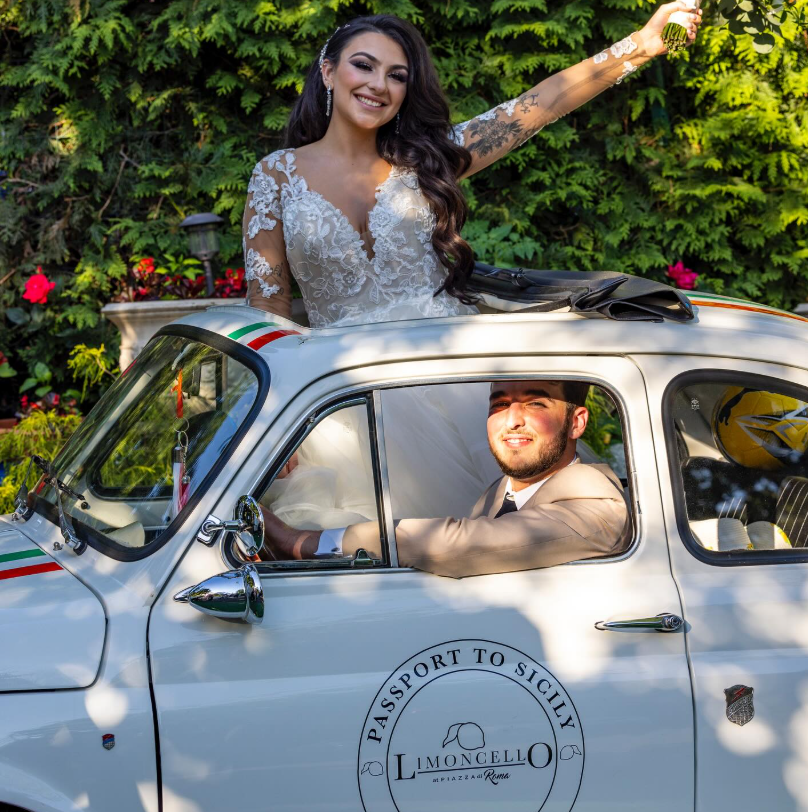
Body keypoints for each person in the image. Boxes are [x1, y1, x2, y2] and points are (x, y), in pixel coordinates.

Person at [242, 3, 702, 327]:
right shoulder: (276, 176)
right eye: (363, 66)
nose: (378, 85)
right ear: (328, 71)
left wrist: (643, 44)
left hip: (446, 370)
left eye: (397, 75)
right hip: (339, 391)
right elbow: (269, 300)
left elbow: (536, 106)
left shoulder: (428, 159)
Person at [260, 380, 630, 578]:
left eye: (535, 404)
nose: (511, 420)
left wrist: (298, 541)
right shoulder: (497, 494)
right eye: (499, 405)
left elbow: (463, 544)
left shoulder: (598, 506)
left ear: (577, 422)